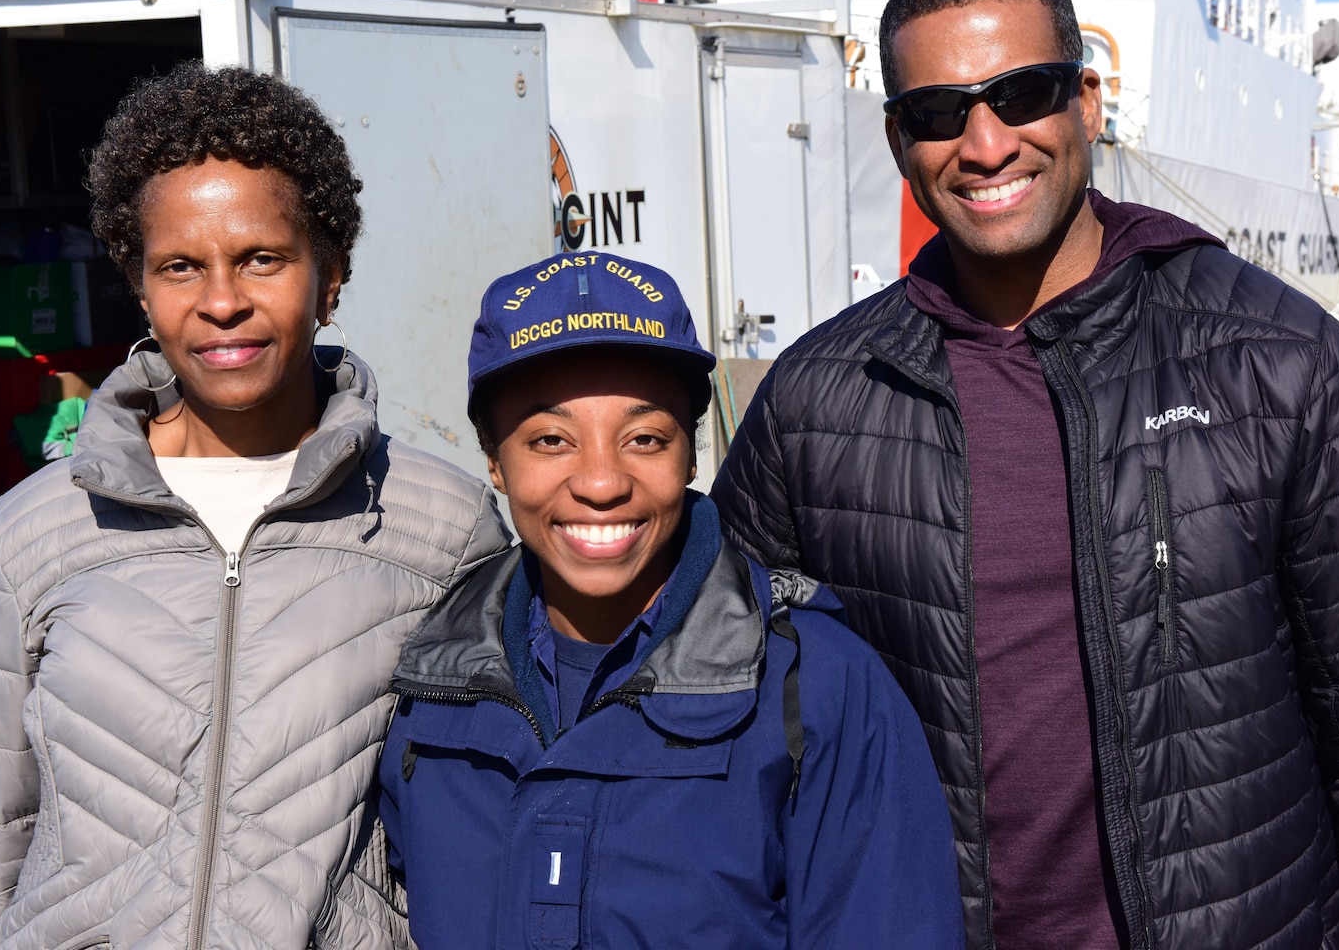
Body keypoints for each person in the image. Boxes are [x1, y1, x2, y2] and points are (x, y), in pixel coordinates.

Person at [710, 0, 1339, 950]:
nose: (986, 143)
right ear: (896, 138)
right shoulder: (817, 400)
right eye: (939, 112)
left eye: (1023, 93)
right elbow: (720, 731)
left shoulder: (1273, 360)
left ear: (1086, 100)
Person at [0, 62, 510, 950]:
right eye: (180, 266)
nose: (221, 302)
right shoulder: (34, 531)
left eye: (261, 258)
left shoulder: (441, 528)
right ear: (140, 286)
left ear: (330, 277)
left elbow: (476, 822)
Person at [378, 251, 964, 949]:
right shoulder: (426, 693)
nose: (601, 482)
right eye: (551, 440)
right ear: (495, 460)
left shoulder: (818, 689)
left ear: (690, 453)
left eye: (645, 438)